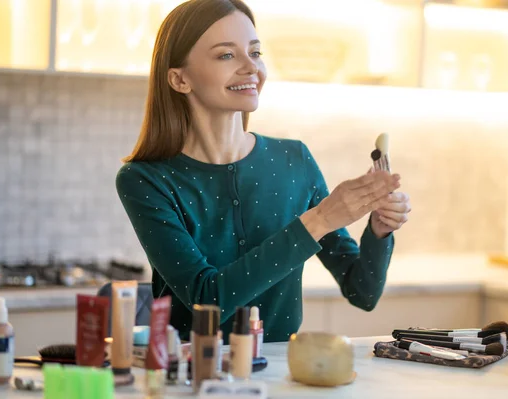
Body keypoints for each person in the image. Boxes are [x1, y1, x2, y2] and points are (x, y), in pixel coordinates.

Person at [115, 0, 411, 343]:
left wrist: (379, 231)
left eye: (255, 53)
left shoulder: (294, 160)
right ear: (180, 79)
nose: (251, 68)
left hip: (280, 374)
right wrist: (320, 219)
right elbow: (207, 300)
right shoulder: (145, 180)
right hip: (193, 373)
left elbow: (363, 292)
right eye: (227, 55)